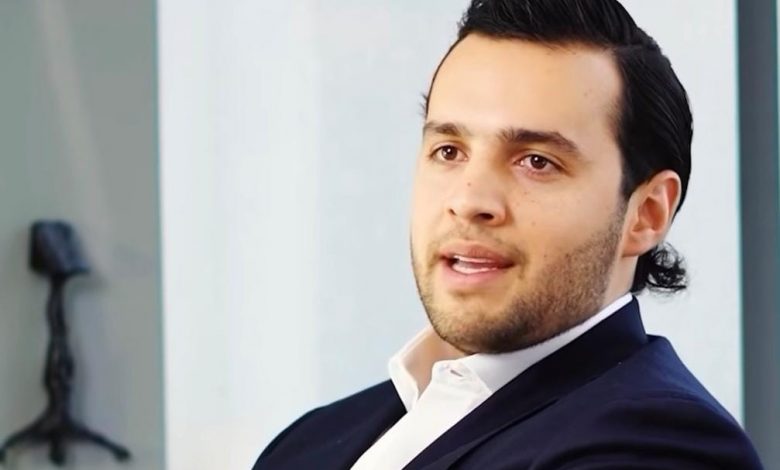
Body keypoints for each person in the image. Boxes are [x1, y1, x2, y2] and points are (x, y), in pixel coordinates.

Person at [253, 0, 763, 468]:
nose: (469, 200)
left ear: (646, 214)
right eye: (449, 151)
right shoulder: (311, 439)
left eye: (536, 161)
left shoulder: (661, 445)